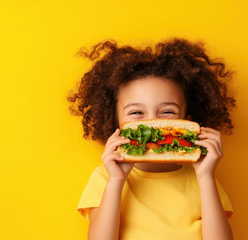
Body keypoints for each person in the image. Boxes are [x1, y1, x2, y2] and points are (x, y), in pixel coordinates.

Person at [66, 38, 236, 240]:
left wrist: (206, 176)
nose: (152, 122)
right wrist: (116, 180)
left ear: (187, 120)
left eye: (167, 111)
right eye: (136, 112)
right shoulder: (105, 177)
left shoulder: (204, 178)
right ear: (117, 122)